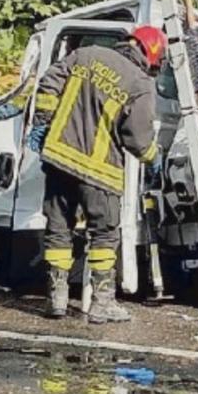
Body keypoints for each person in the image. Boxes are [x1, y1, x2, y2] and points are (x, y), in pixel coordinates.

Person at [28, 25, 166, 324]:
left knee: (58, 228)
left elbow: (49, 84)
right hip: (99, 172)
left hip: (59, 160)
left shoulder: (85, 55)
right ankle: (102, 303)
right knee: (104, 233)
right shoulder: (140, 84)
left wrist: (42, 123)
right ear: (150, 56)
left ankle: (57, 299)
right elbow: (138, 139)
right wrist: (154, 160)